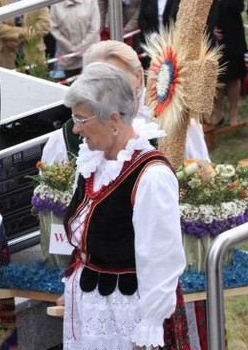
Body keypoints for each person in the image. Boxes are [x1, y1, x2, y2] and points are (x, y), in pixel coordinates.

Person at [60, 62, 186, 349]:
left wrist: (149, 329)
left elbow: (161, 260)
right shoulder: (93, 161)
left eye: (81, 119)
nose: (76, 129)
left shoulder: (151, 176)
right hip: (92, 307)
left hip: (126, 314)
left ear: (114, 120)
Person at [208, 0, 247, 127]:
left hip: (233, 39)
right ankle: (218, 112)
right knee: (216, 79)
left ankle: (233, 114)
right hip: (213, 39)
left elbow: (238, 9)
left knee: (232, 78)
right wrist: (211, 29)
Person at [49, 0, 100, 77]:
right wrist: (70, 47)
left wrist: (82, 47)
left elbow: (95, 27)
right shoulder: (56, 3)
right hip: (68, 55)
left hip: (91, 52)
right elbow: (54, 28)